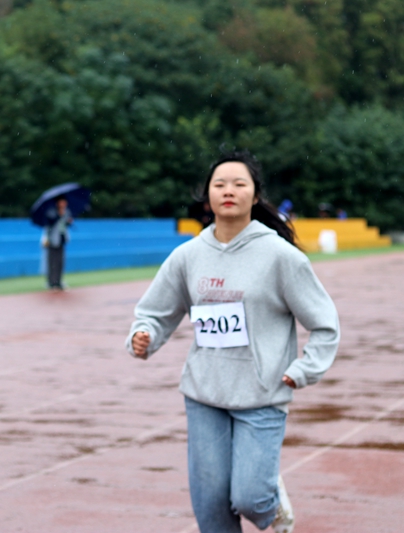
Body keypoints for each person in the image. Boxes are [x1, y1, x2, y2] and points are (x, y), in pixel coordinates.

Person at [126, 150, 340, 533]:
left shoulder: (280, 257)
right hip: (204, 392)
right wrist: (144, 335)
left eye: (239, 184)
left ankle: (271, 500)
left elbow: (325, 324)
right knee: (210, 506)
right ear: (207, 195)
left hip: (262, 392)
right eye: (219, 184)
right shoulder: (188, 256)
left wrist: (305, 369)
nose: (229, 191)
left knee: (250, 497)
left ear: (255, 195)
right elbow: (155, 312)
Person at [43, 195, 72, 290]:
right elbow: (50, 222)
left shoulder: (67, 212)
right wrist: (59, 215)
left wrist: (69, 222)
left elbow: (66, 224)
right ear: (58, 203)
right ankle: (51, 282)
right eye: (62, 202)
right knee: (52, 262)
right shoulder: (51, 212)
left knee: (60, 262)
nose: (64, 204)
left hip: (62, 240)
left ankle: (59, 281)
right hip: (52, 240)